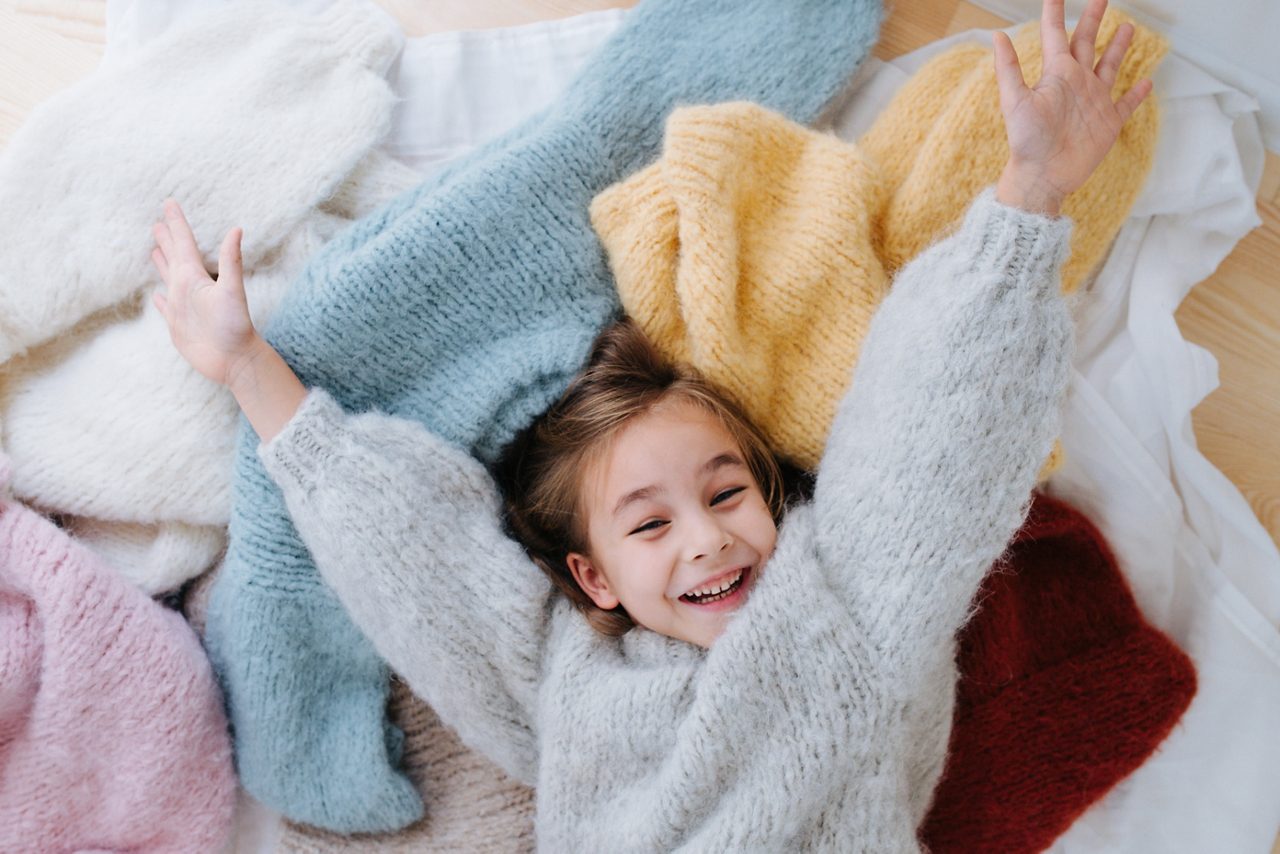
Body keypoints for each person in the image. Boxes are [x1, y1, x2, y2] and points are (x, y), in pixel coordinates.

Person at [151, 0, 1150, 847]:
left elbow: (933, 444)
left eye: (723, 492)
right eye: (648, 523)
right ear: (592, 576)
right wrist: (249, 369)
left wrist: (1027, 197)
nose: (707, 533)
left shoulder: (843, 605)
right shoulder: (563, 684)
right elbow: (423, 564)